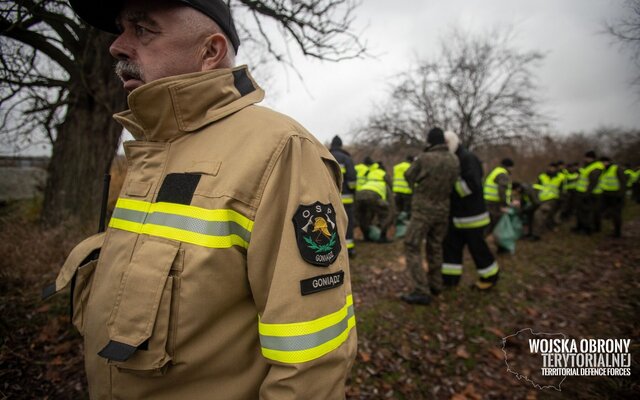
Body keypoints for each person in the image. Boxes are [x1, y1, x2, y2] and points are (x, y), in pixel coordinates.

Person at [44, 1, 357, 398]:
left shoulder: (280, 152)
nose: (117, 46)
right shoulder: (153, 146)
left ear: (210, 52)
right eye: (121, 29)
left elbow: (313, 357)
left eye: (143, 29)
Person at [400, 128, 459, 305]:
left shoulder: (425, 158)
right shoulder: (454, 159)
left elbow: (408, 175)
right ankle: (436, 285)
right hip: (443, 211)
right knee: (435, 247)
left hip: (423, 211)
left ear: (429, 142)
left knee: (411, 245)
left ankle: (421, 289)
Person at [442, 131, 499, 290]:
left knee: (478, 249)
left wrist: (449, 187)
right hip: (456, 217)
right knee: (450, 248)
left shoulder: (467, 158)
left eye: (445, 143)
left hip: (472, 217)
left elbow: (472, 185)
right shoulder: (451, 159)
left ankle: (490, 277)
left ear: (452, 142)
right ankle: (450, 280)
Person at [330, 135, 358, 256]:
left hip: (328, 199)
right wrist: (352, 190)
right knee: (347, 223)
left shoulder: (323, 156)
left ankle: (332, 249)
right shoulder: (346, 158)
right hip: (345, 199)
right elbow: (352, 179)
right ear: (341, 145)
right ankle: (349, 249)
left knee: (330, 223)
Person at [355, 161, 394, 242]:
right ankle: (382, 237)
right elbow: (391, 202)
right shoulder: (384, 184)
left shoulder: (369, 178)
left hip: (359, 195)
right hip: (373, 196)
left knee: (363, 216)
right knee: (385, 214)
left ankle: (366, 237)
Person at [573, 150, 604, 235]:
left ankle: (588, 229)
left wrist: (587, 193)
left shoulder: (596, 167)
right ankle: (581, 227)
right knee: (581, 211)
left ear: (590, 158)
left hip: (591, 194)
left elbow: (593, 182)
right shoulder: (588, 166)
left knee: (588, 212)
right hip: (582, 192)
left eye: (586, 157)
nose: (584, 159)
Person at [484, 158, 514, 236]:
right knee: (496, 224)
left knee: (489, 223)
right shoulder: (502, 174)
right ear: (509, 167)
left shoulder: (495, 171)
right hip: (495, 203)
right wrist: (504, 204)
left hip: (488, 201)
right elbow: (502, 190)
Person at [599, 157, 627, 238]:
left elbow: (623, 182)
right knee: (610, 214)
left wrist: (621, 195)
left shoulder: (616, 169)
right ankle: (614, 230)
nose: (602, 164)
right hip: (607, 195)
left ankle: (617, 232)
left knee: (616, 214)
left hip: (616, 196)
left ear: (608, 162)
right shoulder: (604, 170)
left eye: (604, 162)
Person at [392, 156, 414, 221]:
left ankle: (396, 223)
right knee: (406, 210)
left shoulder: (396, 167)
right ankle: (405, 225)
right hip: (407, 191)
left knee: (398, 208)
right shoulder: (411, 167)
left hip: (397, 190)